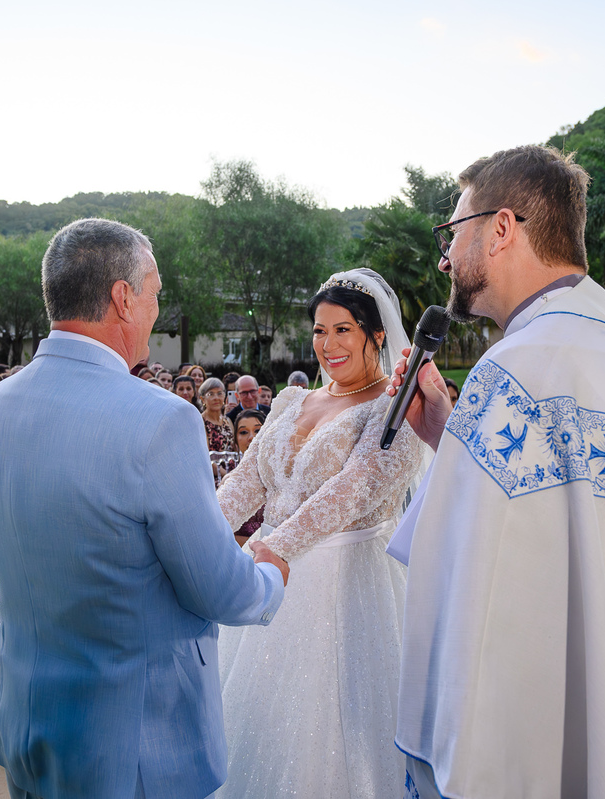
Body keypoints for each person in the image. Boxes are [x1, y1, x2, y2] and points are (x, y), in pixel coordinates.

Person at [385, 146, 605, 798]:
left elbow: (470, 569)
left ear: (502, 227)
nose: (443, 258)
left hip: (538, 723)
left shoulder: (518, 365)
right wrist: (447, 434)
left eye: (451, 234)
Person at [0, 218, 287, 799]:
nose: (158, 311)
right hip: (134, 744)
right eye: (156, 293)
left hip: (28, 722)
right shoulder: (161, 420)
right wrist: (269, 574)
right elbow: (220, 591)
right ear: (122, 297)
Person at [215, 268, 425, 799]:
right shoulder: (291, 402)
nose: (326, 344)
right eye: (318, 330)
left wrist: (273, 546)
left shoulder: (395, 410)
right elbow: (250, 479)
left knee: (332, 733)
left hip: (345, 585)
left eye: (342, 330)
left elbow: (352, 492)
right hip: (269, 578)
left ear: (377, 334)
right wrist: (202, 531)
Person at [225, 408, 267, 546]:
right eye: (243, 432)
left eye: (257, 430)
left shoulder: (282, 478)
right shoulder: (229, 482)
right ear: (235, 441)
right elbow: (223, 533)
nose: (251, 437)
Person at [199, 377, 234, 454]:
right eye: (210, 394)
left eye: (219, 393)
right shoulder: (200, 421)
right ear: (203, 399)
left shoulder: (227, 421)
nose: (216, 398)